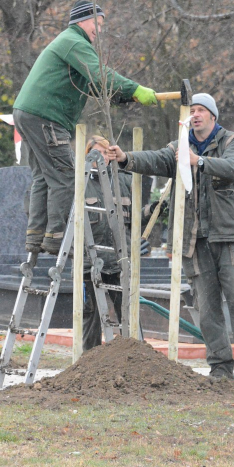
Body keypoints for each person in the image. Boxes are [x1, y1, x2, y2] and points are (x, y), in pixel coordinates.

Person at [105, 93, 234, 391]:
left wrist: (200, 161)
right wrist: (126, 157)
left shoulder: (231, 141)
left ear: (212, 116)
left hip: (230, 238)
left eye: (201, 111)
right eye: (191, 110)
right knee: (207, 310)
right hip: (194, 242)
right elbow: (156, 159)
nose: (195, 115)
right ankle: (219, 368)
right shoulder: (178, 147)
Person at [13, 0, 158, 255]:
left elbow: (91, 86)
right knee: (66, 176)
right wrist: (135, 89)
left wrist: (121, 96)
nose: (99, 31)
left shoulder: (69, 44)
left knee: (43, 177)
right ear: (83, 20)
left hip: (29, 114)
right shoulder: (74, 42)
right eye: (98, 24)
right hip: (47, 116)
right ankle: (57, 237)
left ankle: (36, 235)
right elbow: (101, 74)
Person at [80, 136, 153, 351]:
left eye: (106, 153)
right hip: (89, 265)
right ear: (88, 155)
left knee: (128, 316)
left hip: (120, 263)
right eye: (97, 153)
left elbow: (134, 218)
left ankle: (133, 359)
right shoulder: (80, 182)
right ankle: (88, 363)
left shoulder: (124, 180)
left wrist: (152, 211)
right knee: (89, 318)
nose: (102, 158)